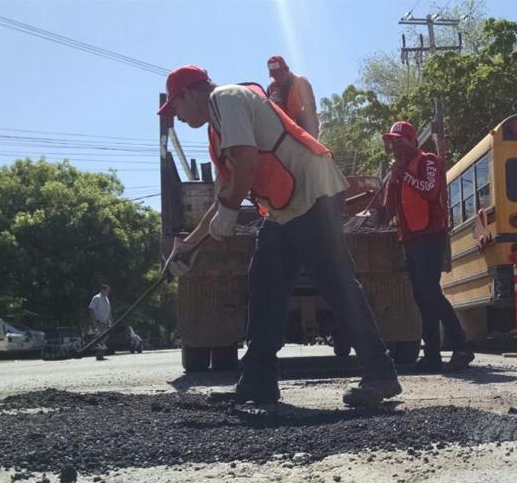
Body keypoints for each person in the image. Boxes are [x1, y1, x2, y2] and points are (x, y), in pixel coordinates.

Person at [159, 65, 400, 407]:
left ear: (187, 93)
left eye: (176, 107)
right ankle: (258, 380)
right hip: (286, 208)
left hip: (312, 192)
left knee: (336, 283)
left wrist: (228, 212)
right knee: (265, 285)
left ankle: (380, 373)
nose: (178, 117)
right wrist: (189, 246)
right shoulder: (218, 126)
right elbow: (223, 196)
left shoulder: (226, 99)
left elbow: (247, 161)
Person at [380, 121, 475, 372]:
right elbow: (389, 207)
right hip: (410, 237)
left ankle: (461, 346)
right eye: (393, 142)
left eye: (400, 141)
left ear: (413, 141)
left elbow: (431, 191)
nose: (395, 147)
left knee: (430, 292)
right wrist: (394, 178)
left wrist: (405, 175)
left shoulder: (428, 160)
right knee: (421, 297)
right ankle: (432, 355)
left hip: (430, 235)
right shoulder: (400, 170)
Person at [266, 55, 319, 138]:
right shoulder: (271, 89)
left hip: (304, 127)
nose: (278, 78)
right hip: (284, 129)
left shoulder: (301, 82)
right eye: (275, 75)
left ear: (286, 70)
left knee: (309, 120)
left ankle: (311, 149)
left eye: (280, 74)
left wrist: (294, 123)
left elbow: (311, 107)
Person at [88, 284, 111, 361]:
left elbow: (108, 310)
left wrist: (109, 320)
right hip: (99, 321)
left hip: (105, 322)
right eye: (107, 290)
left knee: (104, 338)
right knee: (100, 338)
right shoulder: (96, 298)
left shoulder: (106, 298)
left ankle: (100, 354)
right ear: (102, 290)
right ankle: (99, 355)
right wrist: (94, 322)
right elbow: (91, 309)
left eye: (108, 291)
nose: (108, 292)